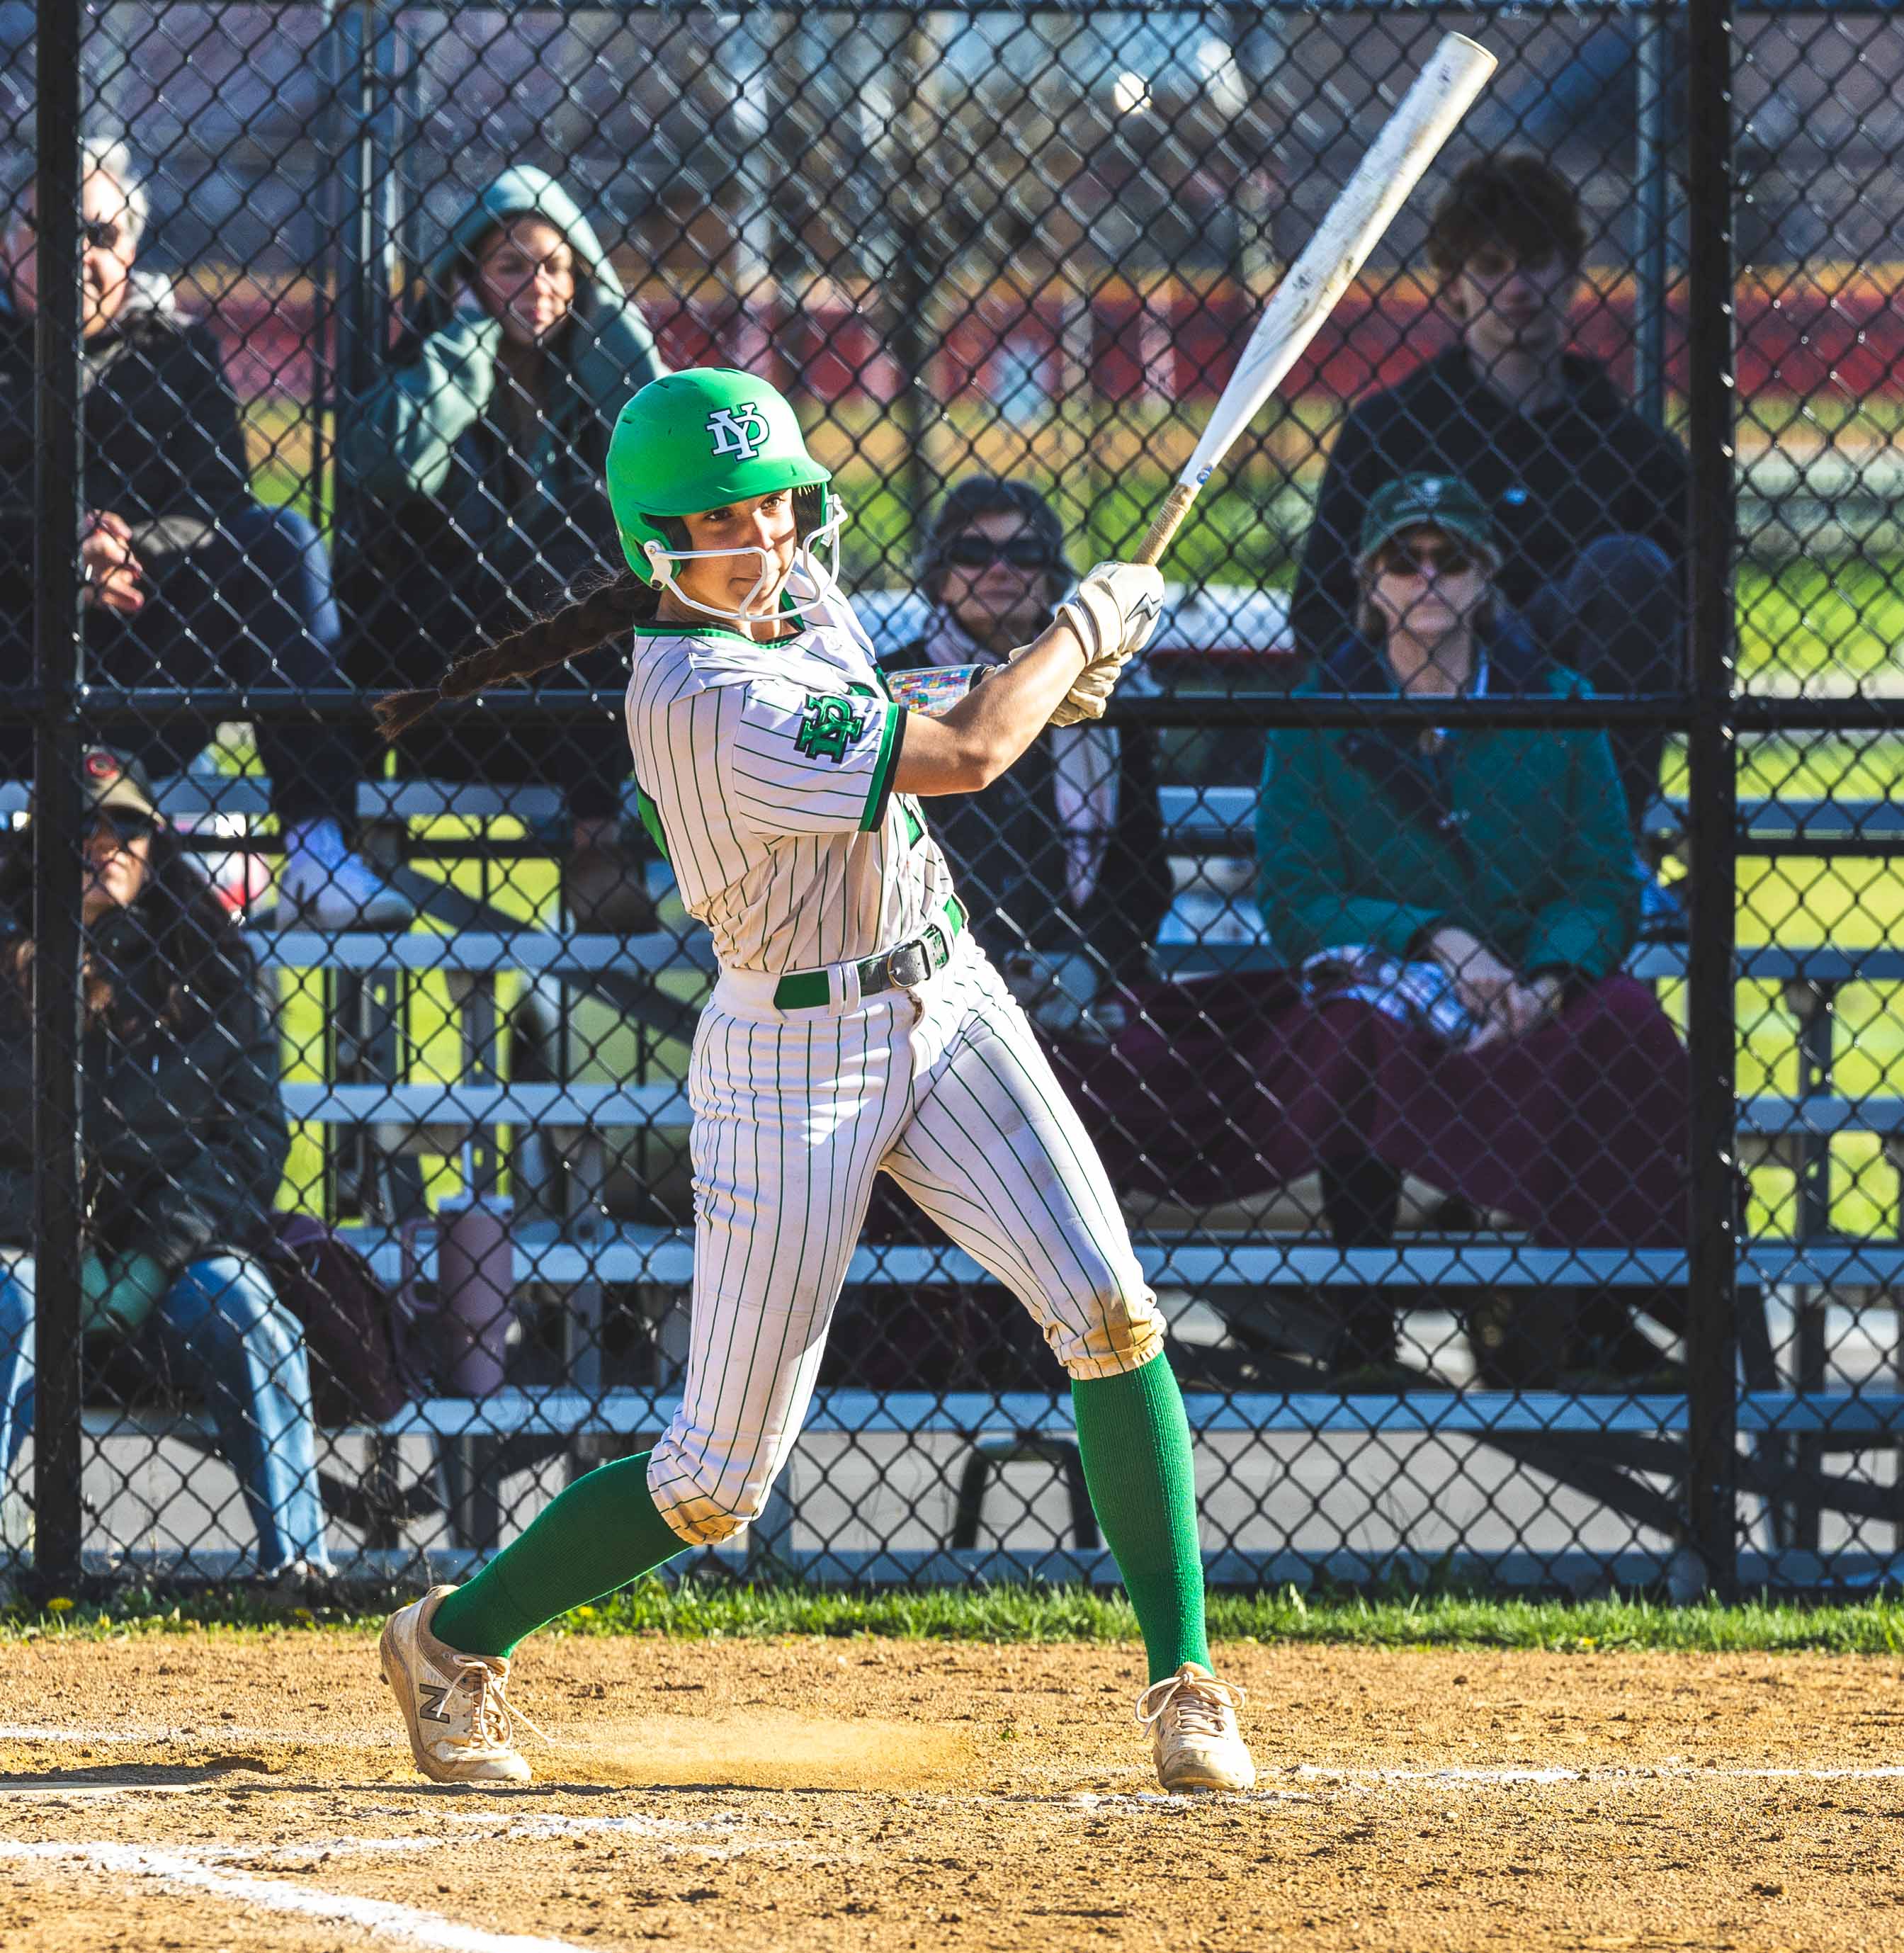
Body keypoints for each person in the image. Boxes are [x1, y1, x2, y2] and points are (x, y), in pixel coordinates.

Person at [360, 367, 1249, 1794]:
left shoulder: (794, 598)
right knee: (716, 1484)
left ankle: (1186, 1682)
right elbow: (959, 754)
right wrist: (1074, 630)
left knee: (1108, 1308)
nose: (766, 537)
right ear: (656, 543)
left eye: (775, 504)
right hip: (793, 1063)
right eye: (725, 520)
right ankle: (450, 1640)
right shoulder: (701, 697)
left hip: (945, 994)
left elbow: (934, 716)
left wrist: (1044, 683)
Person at [1073, 473, 1687, 1380]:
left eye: (1451, 559)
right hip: (1394, 982)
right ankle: (1365, 1308)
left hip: (1531, 983)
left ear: (1487, 579)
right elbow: (1299, 897)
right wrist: (1435, 938)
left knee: (1625, 1020)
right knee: (1354, 1029)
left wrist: (1547, 977)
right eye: (1404, 560)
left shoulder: (1557, 700)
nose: (1427, 577)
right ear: (1370, 583)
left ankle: (1592, 1301)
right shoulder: (1319, 717)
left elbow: (1600, 878)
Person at [0, 140, 395, 929]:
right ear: (9, 242)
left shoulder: (178, 348)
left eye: (99, 235)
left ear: (132, 248)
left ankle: (317, 852)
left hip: (152, 653)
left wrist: (125, 547)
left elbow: (218, 503)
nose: (77, 254)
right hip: (15, 658)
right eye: (49, 232)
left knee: (278, 537)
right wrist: (54, 550)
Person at [0, 750, 324, 1575]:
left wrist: (153, 1252)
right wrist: (41, 1227)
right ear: (38, 844)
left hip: (171, 1261)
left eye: (127, 826)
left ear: (155, 843)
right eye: (81, 825)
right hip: (28, 1254)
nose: (104, 844)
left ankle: (299, 1571)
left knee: (243, 1306)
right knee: (7, 1300)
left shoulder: (212, 963)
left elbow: (255, 1139)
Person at [1290, 152, 1687, 825]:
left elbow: (1692, 625)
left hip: (1574, 721)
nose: (1517, 288)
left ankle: (1607, 839)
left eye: (1535, 262)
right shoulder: (1392, 430)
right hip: (1430, 694)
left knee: (1628, 569)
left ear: (1570, 277)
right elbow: (1320, 610)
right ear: (1454, 287)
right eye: (1491, 267)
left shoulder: (1633, 448)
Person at [338, 166, 672, 929]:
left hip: (570, 699)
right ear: (468, 278)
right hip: (445, 676)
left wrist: (609, 334)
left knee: (600, 537)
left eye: (556, 266)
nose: (537, 285)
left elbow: (672, 456)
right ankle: (595, 844)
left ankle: (596, 839)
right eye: (510, 266)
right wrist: (463, 344)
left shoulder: (592, 390)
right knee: (585, 535)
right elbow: (388, 462)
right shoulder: (424, 365)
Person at [875, 477, 1172, 1009]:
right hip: (924, 979)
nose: (999, 569)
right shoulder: (893, 683)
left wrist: (1089, 963)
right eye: (972, 552)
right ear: (940, 577)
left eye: (1025, 552)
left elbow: (1140, 866)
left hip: (1079, 981)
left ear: (1050, 573)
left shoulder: (1096, 684)